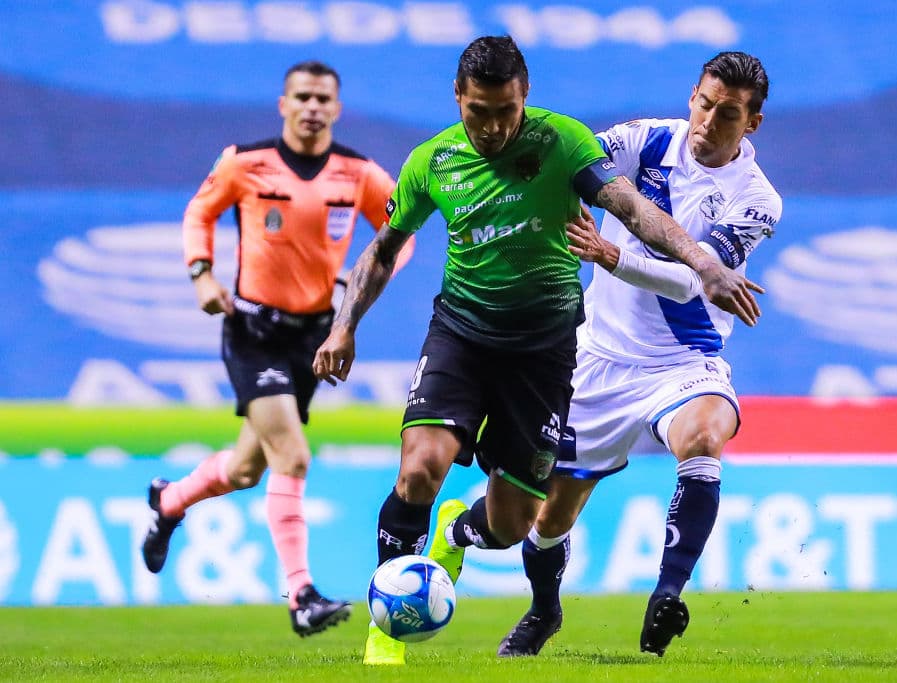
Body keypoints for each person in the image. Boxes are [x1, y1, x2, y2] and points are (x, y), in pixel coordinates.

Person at [312, 36, 763, 665]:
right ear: (458, 100)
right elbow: (384, 249)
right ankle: (388, 627)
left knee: (520, 522)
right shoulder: (434, 161)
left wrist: (701, 264)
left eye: (507, 112)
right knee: (420, 467)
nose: (494, 128)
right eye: (479, 112)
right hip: (473, 336)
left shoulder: (577, 147)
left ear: (525, 98)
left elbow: (628, 207)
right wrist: (342, 326)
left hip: (570, 351)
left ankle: (481, 539)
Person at [495, 51, 780, 658]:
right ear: (691, 97)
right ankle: (544, 610)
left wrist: (610, 254)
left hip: (683, 362)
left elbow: (692, 281)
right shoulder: (643, 141)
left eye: (727, 114)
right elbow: (568, 161)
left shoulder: (757, 201)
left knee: (704, 438)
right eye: (703, 103)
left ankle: (666, 594)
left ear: (751, 123)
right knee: (549, 520)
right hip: (597, 361)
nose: (708, 121)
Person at [140, 60, 413, 637]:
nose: (313, 107)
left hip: (313, 336)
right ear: (283, 104)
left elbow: (402, 232)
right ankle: (301, 597)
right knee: (292, 455)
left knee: (245, 468)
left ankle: (169, 502)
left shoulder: (359, 173)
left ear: (337, 109)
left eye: (323, 99)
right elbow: (199, 212)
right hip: (252, 330)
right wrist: (201, 275)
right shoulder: (244, 162)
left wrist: (357, 290)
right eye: (303, 97)